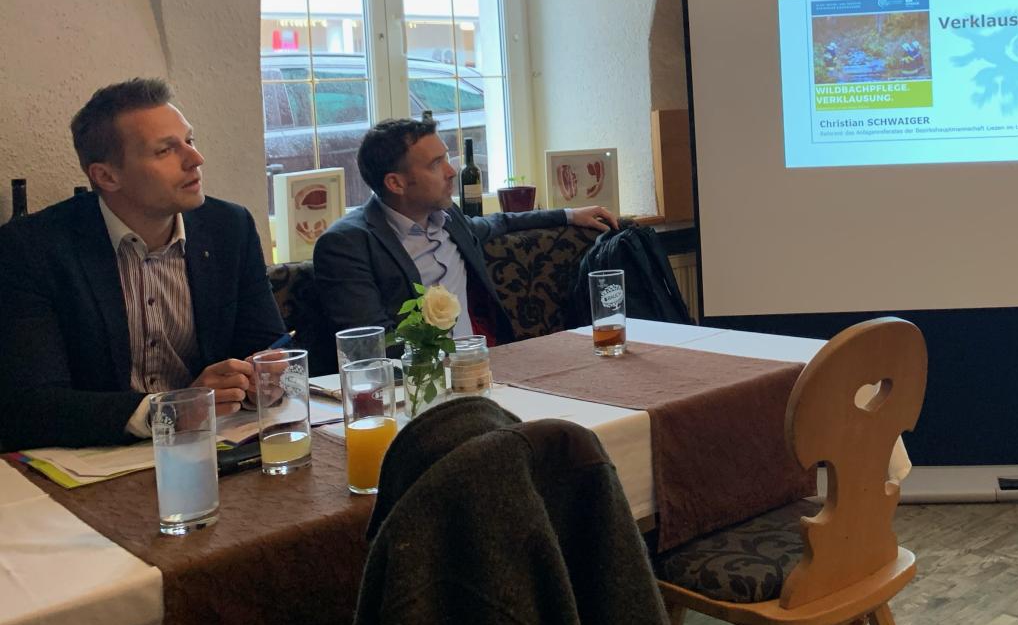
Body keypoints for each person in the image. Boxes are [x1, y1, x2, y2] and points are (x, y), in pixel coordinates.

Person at [0, 79, 286, 450]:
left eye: (190, 140)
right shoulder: (32, 248)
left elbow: (266, 347)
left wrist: (262, 380)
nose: (195, 159)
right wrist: (169, 411)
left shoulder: (229, 228)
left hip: (215, 446)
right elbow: (30, 404)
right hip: (95, 458)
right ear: (106, 176)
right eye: (166, 150)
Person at [314, 118, 617, 344]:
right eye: (436, 164)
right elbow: (371, 343)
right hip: (418, 384)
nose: (451, 171)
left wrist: (568, 214)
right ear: (396, 183)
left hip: (486, 364)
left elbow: (498, 222)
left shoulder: (449, 217)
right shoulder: (347, 244)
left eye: (446, 158)